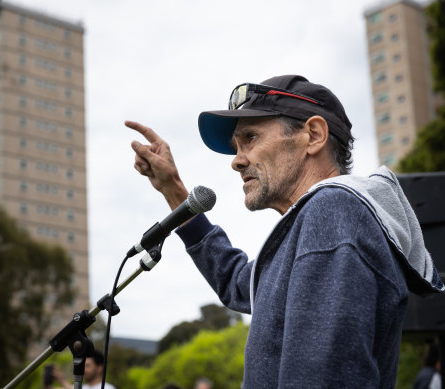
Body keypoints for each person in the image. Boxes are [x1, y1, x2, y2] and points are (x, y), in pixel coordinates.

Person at [126, 74, 444, 388]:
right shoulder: (319, 224)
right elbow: (236, 283)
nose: (236, 161)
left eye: (250, 137)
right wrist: (174, 191)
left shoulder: (332, 212)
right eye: (236, 145)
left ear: (314, 135)